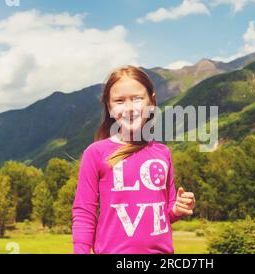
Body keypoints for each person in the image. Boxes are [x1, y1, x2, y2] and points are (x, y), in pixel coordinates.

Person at [72, 65, 196, 254]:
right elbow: (84, 214)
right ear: (109, 106)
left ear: (151, 101)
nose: (129, 108)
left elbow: (165, 212)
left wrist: (177, 209)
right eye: (119, 101)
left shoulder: (162, 153)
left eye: (137, 99)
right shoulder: (95, 153)